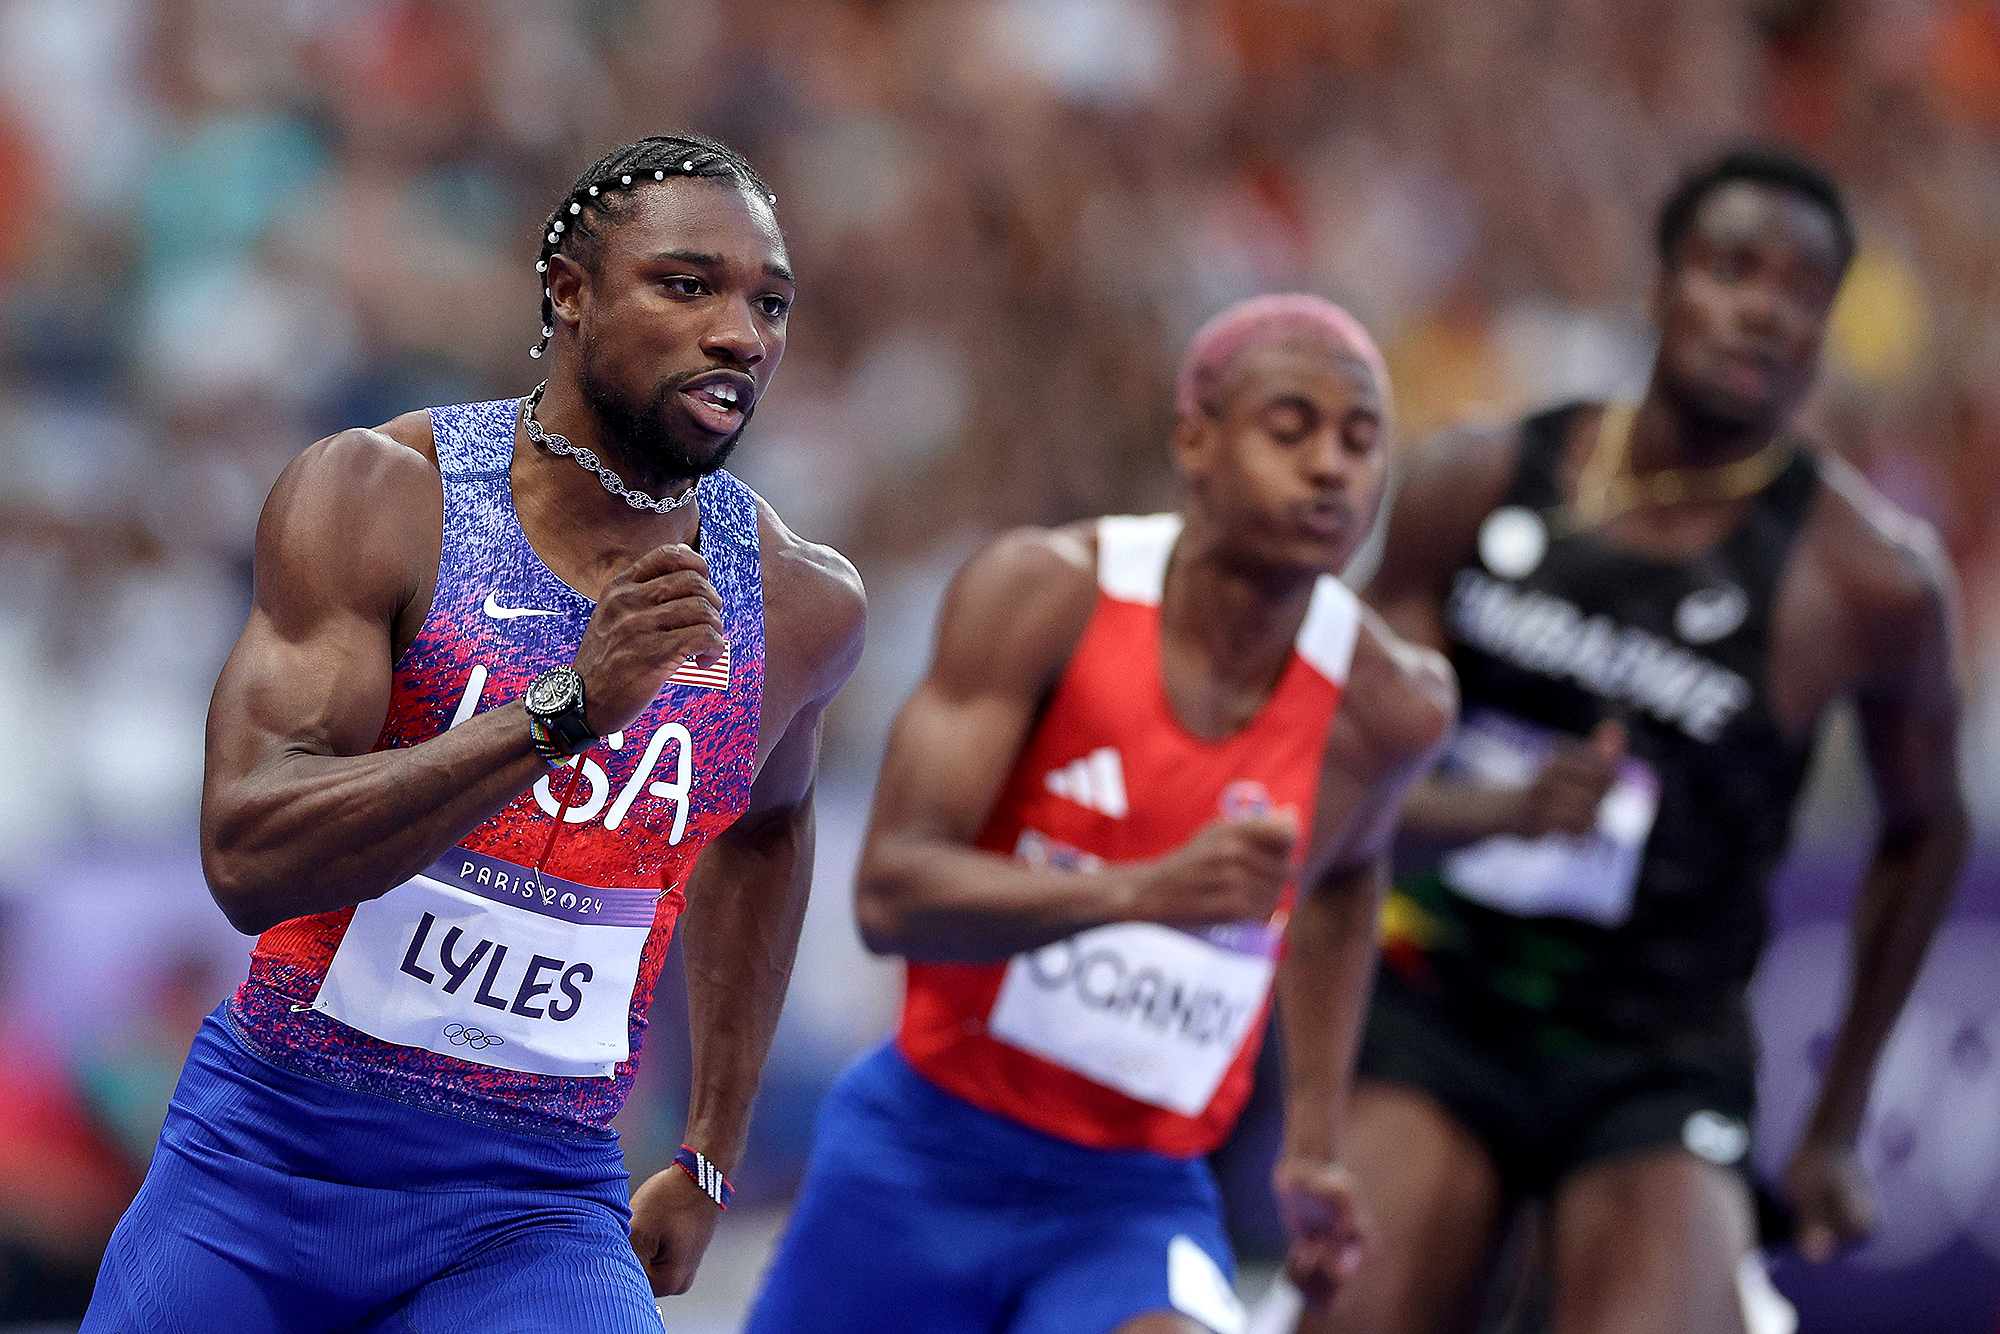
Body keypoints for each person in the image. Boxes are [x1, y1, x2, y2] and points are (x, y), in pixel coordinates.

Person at [82, 133, 865, 1333]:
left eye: (769, 303)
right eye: (686, 285)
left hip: (532, 1204)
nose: (739, 335)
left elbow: (771, 827)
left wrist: (709, 1147)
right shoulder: (380, 498)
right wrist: (561, 713)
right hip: (267, 1166)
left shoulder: (801, 604)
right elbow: (248, 851)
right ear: (567, 293)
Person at [1310, 146, 1969, 1334]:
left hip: (1656, 1057)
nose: (1765, 307)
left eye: (1802, 290)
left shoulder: (1865, 582)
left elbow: (1924, 829)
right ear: (1656, 289)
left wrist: (1833, 1120)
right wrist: (1493, 814)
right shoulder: (1475, 483)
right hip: (1441, 1009)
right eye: (1730, 268)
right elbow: (1327, 777)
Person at [746, 294, 1456, 1334]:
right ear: (1194, 442)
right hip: (923, 1150)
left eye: (1360, 440)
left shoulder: (1390, 705)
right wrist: (1144, 892)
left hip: (1133, 1193)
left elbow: (1348, 873)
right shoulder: (1043, 592)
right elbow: (892, 891)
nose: (1329, 468)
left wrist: (1311, 1136)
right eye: (1290, 428)